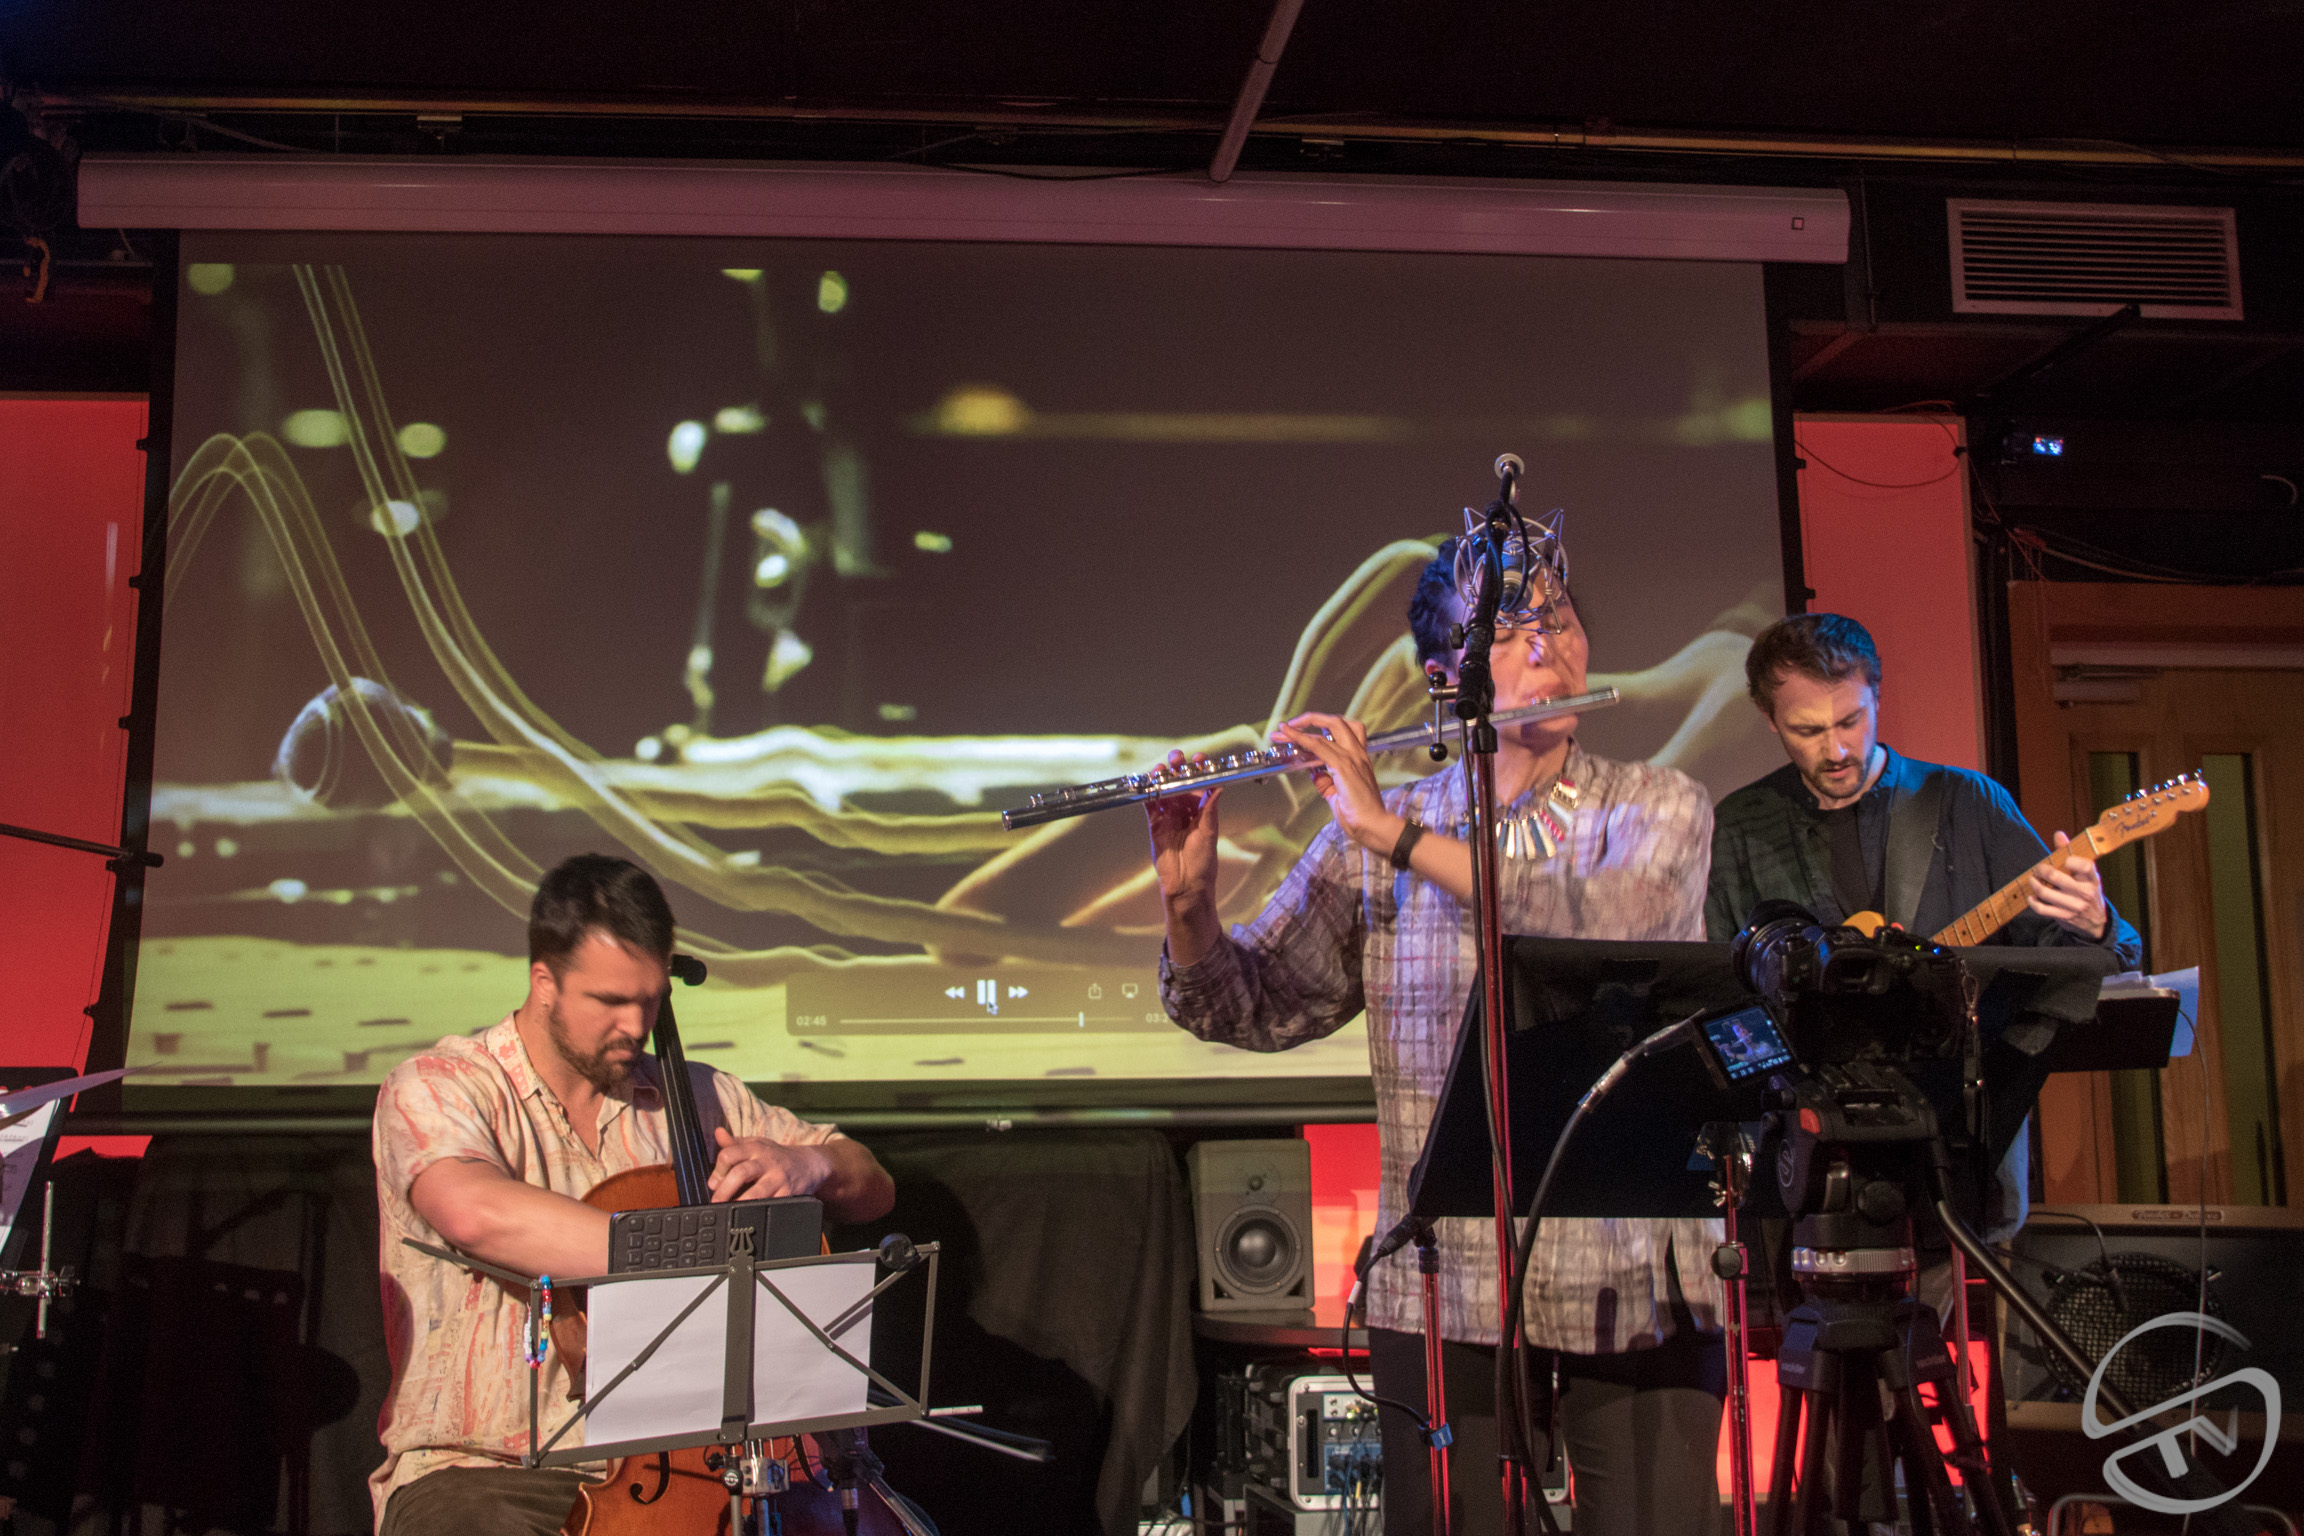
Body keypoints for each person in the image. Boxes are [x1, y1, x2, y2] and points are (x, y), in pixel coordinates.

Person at [1152, 540, 1727, 1536]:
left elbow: (1604, 918)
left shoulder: (1658, 805)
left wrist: (1392, 836)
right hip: (1444, 1278)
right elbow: (1252, 1004)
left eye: (1559, 620)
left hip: (1632, 1272)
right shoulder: (1376, 832)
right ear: (1443, 678)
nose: (1547, 647)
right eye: (1509, 632)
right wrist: (1189, 906)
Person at [368, 853, 895, 1535]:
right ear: (544, 981)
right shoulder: (441, 1084)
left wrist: (810, 1164)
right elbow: (476, 1211)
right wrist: (694, 1251)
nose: (636, 1024)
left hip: (689, 1467)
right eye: (611, 1002)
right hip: (486, 1470)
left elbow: (872, 1186)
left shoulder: (701, 1096)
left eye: (651, 1000)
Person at [1705, 613, 2143, 1238]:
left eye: (1851, 721)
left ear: (1877, 697)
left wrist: (2093, 922)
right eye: (1808, 730)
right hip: (1804, 1162)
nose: (1836, 749)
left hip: (1952, 1147)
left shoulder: (1968, 803)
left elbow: (2098, 959)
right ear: (1768, 719)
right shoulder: (1741, 825)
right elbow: (1722, 991)